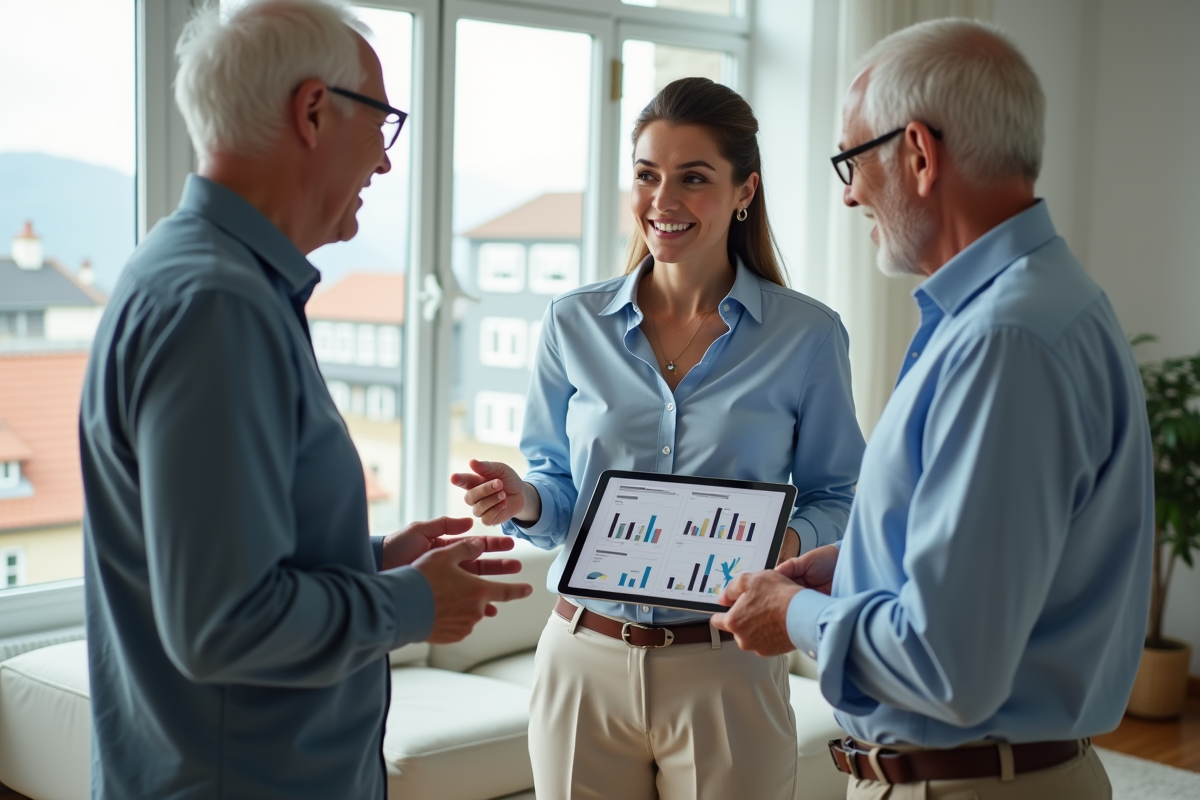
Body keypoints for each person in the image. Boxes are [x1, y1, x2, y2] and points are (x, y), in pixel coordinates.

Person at [78, 2, 531, 798]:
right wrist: (410, 602)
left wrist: (370, 559)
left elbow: (217, 560)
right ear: (313, 111)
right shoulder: (215, 305)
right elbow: (222, 626)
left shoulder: (201, 274)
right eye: (382, 123)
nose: (387, 165)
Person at [711, 18, 1153, 800]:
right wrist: (855, 569)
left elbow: (951, 665)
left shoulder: (1004, 342)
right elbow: (1012, 568)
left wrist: (796, 615)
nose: (847, 194)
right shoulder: (1035, 308)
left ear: (918, 153)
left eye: (851, 159)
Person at [451, 77, 866, 800]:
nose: (662, 202)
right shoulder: (570, 324)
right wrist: (521, 499)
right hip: (582, 657)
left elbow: (839, 497)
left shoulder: (807, 336)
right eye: (647, 175)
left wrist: (777, 548)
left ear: (745, 191)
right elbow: (560, 497)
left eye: (693, 178)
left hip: (725, 662)